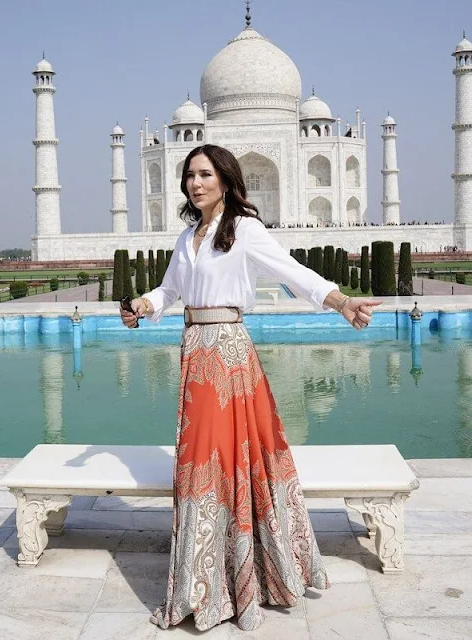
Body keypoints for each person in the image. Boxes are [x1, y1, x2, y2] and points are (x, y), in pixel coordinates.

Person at [120, 144, 381, 632]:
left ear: (225, 179)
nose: (195, 183)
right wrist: (142, 303)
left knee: (224, 461)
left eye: (204, 175)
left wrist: (340, 300)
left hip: (228, 353)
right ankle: (204, 581)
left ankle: (237, 582)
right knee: (200, 464)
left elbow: (291, 273)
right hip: (196, 353)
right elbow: (171, 291)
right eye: (189, 176)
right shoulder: (187, 236)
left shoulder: (245, 230)